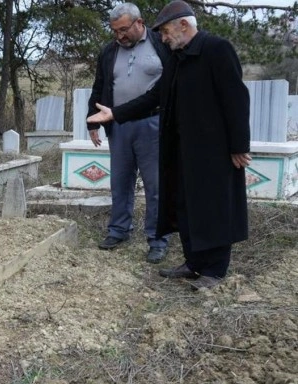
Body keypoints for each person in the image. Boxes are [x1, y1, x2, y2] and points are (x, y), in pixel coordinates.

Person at [87, 0, 252, 290]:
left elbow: (236, 99)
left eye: (165, 32)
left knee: (212, 207)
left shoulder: (216, 49)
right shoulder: (177, 57)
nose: (162, 38)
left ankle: (214, 271)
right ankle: (193, 263)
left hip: (214, 150)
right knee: (187, 205)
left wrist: (239, 145)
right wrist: (115, 113)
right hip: (182, 148)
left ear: (184, 25)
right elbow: (154, 97)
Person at [87, 3, 170, 263]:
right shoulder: (109, 51)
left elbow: (173, 83)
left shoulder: (161, 44)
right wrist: (92, 121)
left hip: (152, 123)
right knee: (120, 182)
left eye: (124, 29)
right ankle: (119, 230)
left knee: (155, 184)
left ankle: (157, 239)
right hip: (118, 125)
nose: (120, 35)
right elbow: (100, 85)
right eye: (115, 31)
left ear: (139, 23)